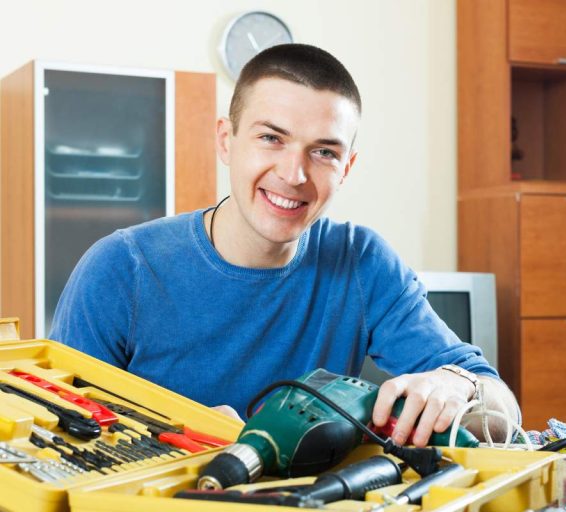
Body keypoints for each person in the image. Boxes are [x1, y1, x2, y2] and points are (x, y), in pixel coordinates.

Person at [50, 43, 520, 447]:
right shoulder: (121, 268)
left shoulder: (361, 262)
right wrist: (189, 435)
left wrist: (457, 383)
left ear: (346, 168)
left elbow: (503, 407)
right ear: (226, 140)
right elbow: (54, 432)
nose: (294, 175)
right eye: (271, 138)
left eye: (323, 152)